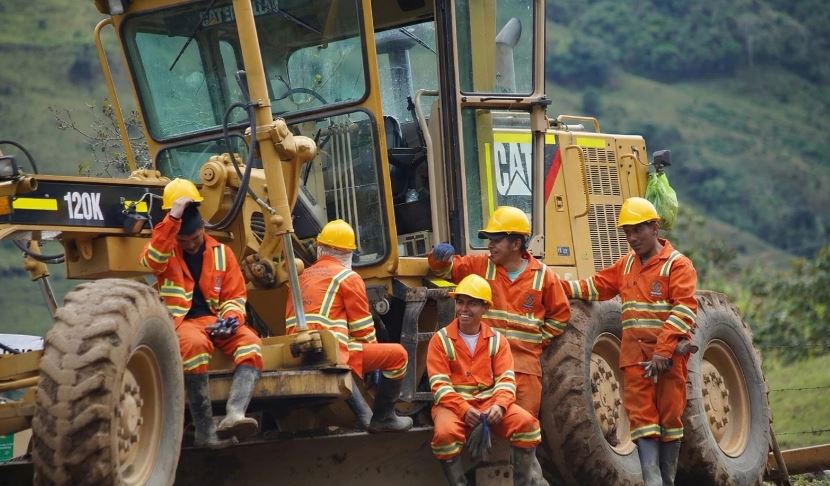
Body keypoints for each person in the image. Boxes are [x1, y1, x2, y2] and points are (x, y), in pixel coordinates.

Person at [562, 197, 697, 486]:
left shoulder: (677, 265)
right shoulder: (625, 265)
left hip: (668, 358)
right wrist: (559, 287)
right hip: (635, 357)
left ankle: (667, 480)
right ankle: (652, 481)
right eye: (627, 232)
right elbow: (596, 286)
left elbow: (684, 310)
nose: (632, 238)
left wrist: (663, 351)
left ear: (654, 227)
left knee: (670, 419)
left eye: (637, 230)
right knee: (642, 420)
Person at [140, 178, 263, 447]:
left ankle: (235, 414)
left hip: (215, 321)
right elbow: (151, 260)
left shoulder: (222, 253)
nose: (191, 245)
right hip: (182, 322)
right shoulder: (165, 250)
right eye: (184, 240)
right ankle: (205, 430)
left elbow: (235, 296)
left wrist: (231, 319)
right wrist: (172, 219)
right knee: (194, 346)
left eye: (195, 239)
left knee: (251, 343)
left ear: (203, 229)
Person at [428, 206, 571, 416]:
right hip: (486, 367)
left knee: (524, 424)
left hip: (524, 368)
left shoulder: (543, 275)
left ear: (516, 244)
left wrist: (538, 340)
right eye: (489, 240)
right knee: (484, 423)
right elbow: (444, 269)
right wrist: (438, 257)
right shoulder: (479, 266)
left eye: (496, 240)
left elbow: (560, 314)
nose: (490, 245)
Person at [284, 219, 412, 433]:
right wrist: (375, 362)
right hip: (328, 352)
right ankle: (385, 417)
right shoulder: (348, 277)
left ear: (320, 248)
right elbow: (364, 331)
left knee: (344, 352)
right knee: (398, 356)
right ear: (348, 253)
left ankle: (365, 416)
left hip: (295, 353)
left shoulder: (300, 277)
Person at [428, 274, 546, 486]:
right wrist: (464, 409)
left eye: (471, 303)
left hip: (491, 404)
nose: (464, 309)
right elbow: (439, 386)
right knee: (444, 435)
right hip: (453, 406)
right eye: (460, 302)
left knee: (528, 425)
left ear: (485, 308)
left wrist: (500, 406)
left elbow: (506, 380)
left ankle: (523, 483)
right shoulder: (440, 340)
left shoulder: (497, 340)